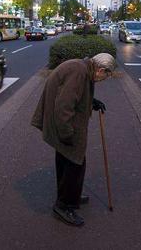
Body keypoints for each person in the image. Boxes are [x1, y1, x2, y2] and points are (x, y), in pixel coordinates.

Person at [31, 53, 117, 227]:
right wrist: (66, 134)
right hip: (62, 125)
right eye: (105, 77)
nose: (102, 80)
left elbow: (75, 94)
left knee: (65, 160)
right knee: (76, 164)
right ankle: (64, 206)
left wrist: (92, 101)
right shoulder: (79, 72)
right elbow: (64, 105)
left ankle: (69, 196)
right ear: (101, 69)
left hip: (58, 123)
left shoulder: (83, 68)